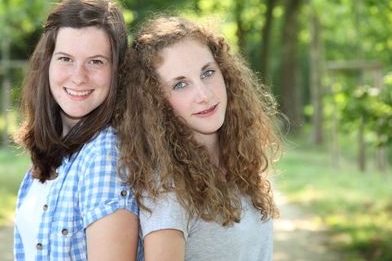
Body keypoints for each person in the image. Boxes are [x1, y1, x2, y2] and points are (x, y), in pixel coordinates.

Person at [115, 16, 281, 261]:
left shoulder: (240, 160)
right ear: (156, 102)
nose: (204, 94)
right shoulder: (169, 188)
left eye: (208, 73)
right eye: (181, 84)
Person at [14, 0, 142, 261]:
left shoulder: (104, 157)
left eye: (96, 61)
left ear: (117, 71)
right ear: (46, 63)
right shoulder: (58, 152)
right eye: (66, 59)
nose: (78, 76)